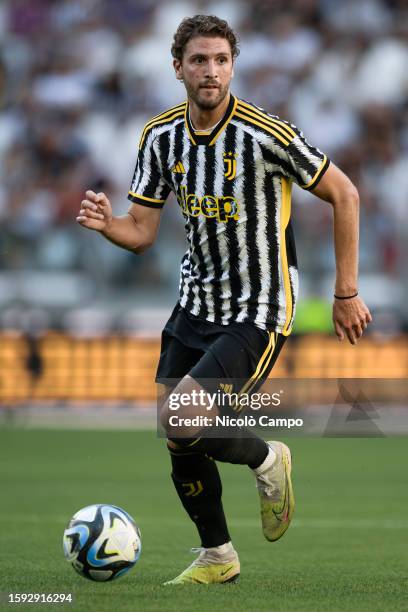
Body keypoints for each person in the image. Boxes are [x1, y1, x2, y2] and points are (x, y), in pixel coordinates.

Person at [77, 15, 372, 585]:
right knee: (176, 432)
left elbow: (345, 193)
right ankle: (218, 556)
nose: (210, 71)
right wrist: (108, 224)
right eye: (198, 61)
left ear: (233, 65)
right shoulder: (159, 137)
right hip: (194, 304)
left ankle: (266, 458)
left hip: (258, 308)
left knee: (183, 415)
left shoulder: (266, 134)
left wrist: (346, 292)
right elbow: (141, 231)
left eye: (220, 60)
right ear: (178, 68)